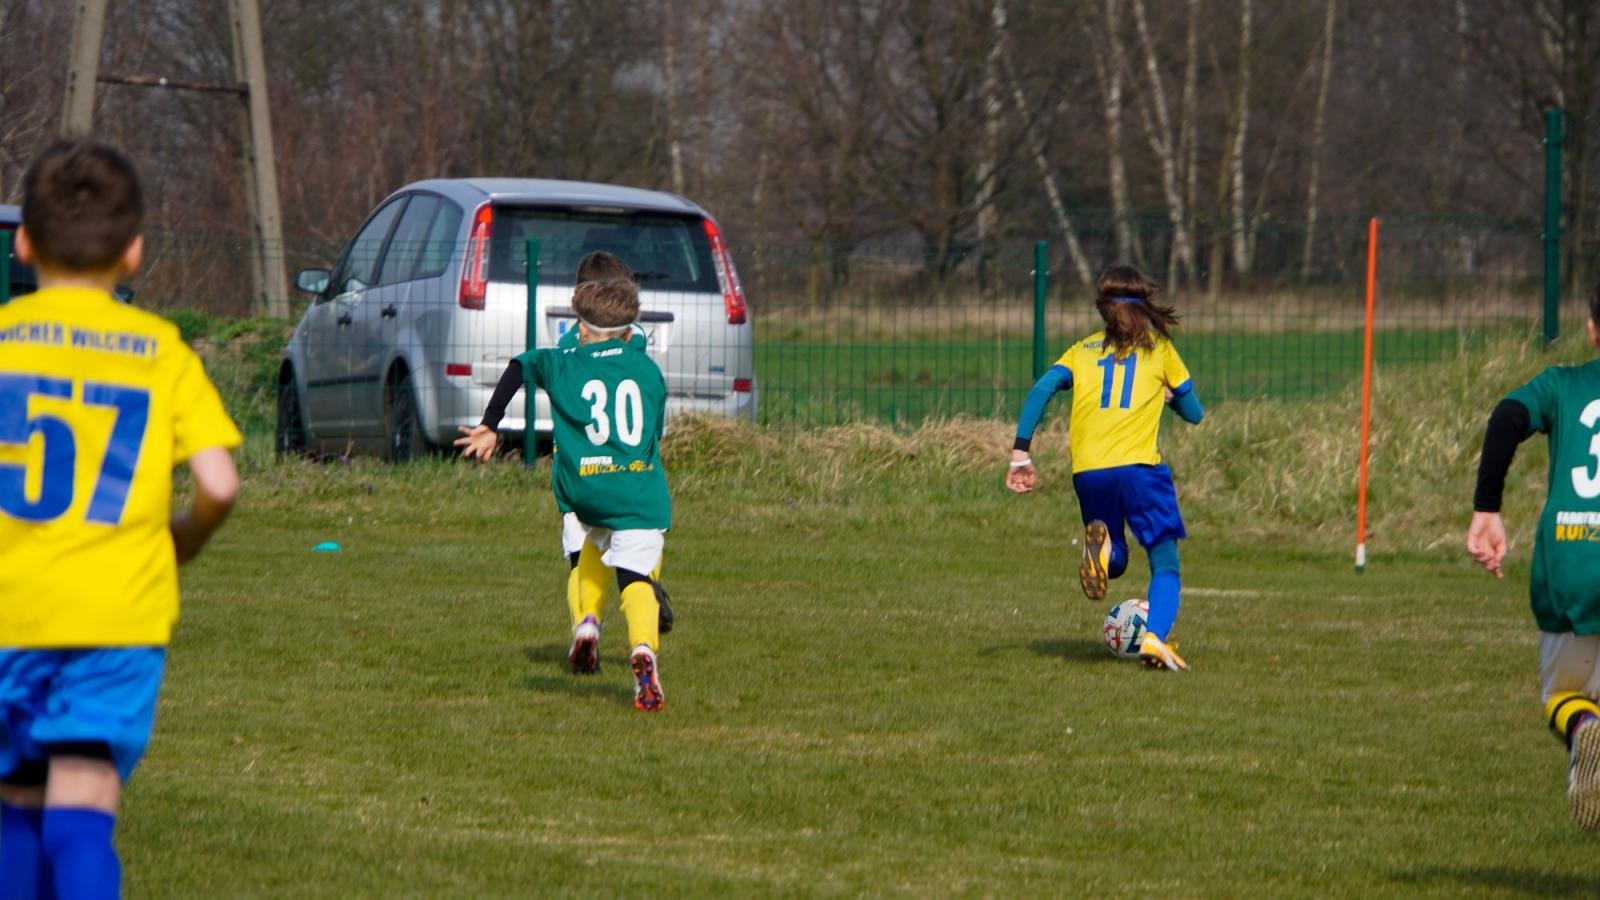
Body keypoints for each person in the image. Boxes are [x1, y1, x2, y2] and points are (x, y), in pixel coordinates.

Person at [0, 140, 241, 896]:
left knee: (14, 806)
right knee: (82, 804)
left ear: (23, 241)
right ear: (134, 253)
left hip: (12, 609)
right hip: (118, 616)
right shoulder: (160, 351)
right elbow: (220, 484)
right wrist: (183, 539)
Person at [457, 277, 670, 711]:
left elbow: (520, 365)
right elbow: (654, 433)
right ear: (631, 334)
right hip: (638, 495)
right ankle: (644, 650)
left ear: (582, 329)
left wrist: (491, 424)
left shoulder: (564, 362)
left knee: (591, 544)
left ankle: (587, 624)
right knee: (636, 581)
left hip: (587, 493)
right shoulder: (648, 371)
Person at [1005, 263, 1203, 671]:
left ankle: (1103, 549)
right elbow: (1195, 412)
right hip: (1140, 471)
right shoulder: (1160, 350)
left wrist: (1021, 453)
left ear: (1103, 309)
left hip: (1089, 471)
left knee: (1115, 560)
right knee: (1165, 562)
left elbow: (1042, 388)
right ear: (1145, 306)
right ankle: (1153, 639)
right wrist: (1172, 398)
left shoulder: (1082, 350)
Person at [1468, 283, 1600, 830]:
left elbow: (1505, 418)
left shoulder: (1563, 384)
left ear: (1593, 328)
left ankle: (1583, 732)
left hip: (1567, 564)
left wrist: (1487, 509)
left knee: (1564, 695)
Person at [554, 252, 672, 649]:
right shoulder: (630, 337)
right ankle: (650, 592)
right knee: (638, 540)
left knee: (579, 555)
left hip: (575, 470)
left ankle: (585, 626)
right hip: (625, 465)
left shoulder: (568, 342)